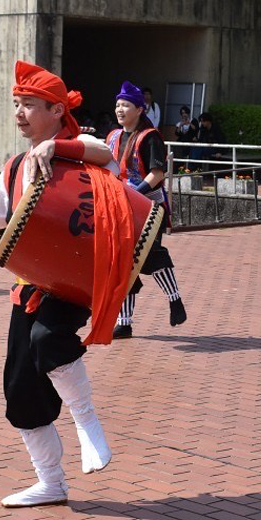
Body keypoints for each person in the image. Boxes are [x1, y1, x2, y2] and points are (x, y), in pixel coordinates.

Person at [0, 59, 124, 507]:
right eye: (16, 105)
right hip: (31, 283)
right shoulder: (16, 165)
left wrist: (62, 150)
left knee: (48, 338)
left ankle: (86, 421)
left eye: (30, 105)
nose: (19, 113)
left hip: (78, 278)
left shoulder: (81, 148)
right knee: (20, 390)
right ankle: (52, 484)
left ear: (58, 110)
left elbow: (107, 155)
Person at [107, 81, 187, 338]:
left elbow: (157, 174)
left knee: (151, 255)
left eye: (126, 105)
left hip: (149, 208)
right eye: (118, 105)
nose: (120, 109)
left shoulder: (149, 137)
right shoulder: (113, 137)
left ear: (140, 109)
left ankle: (175, 300)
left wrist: (135, 193)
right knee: (122, 263)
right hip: (121, 207)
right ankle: (125, 321)